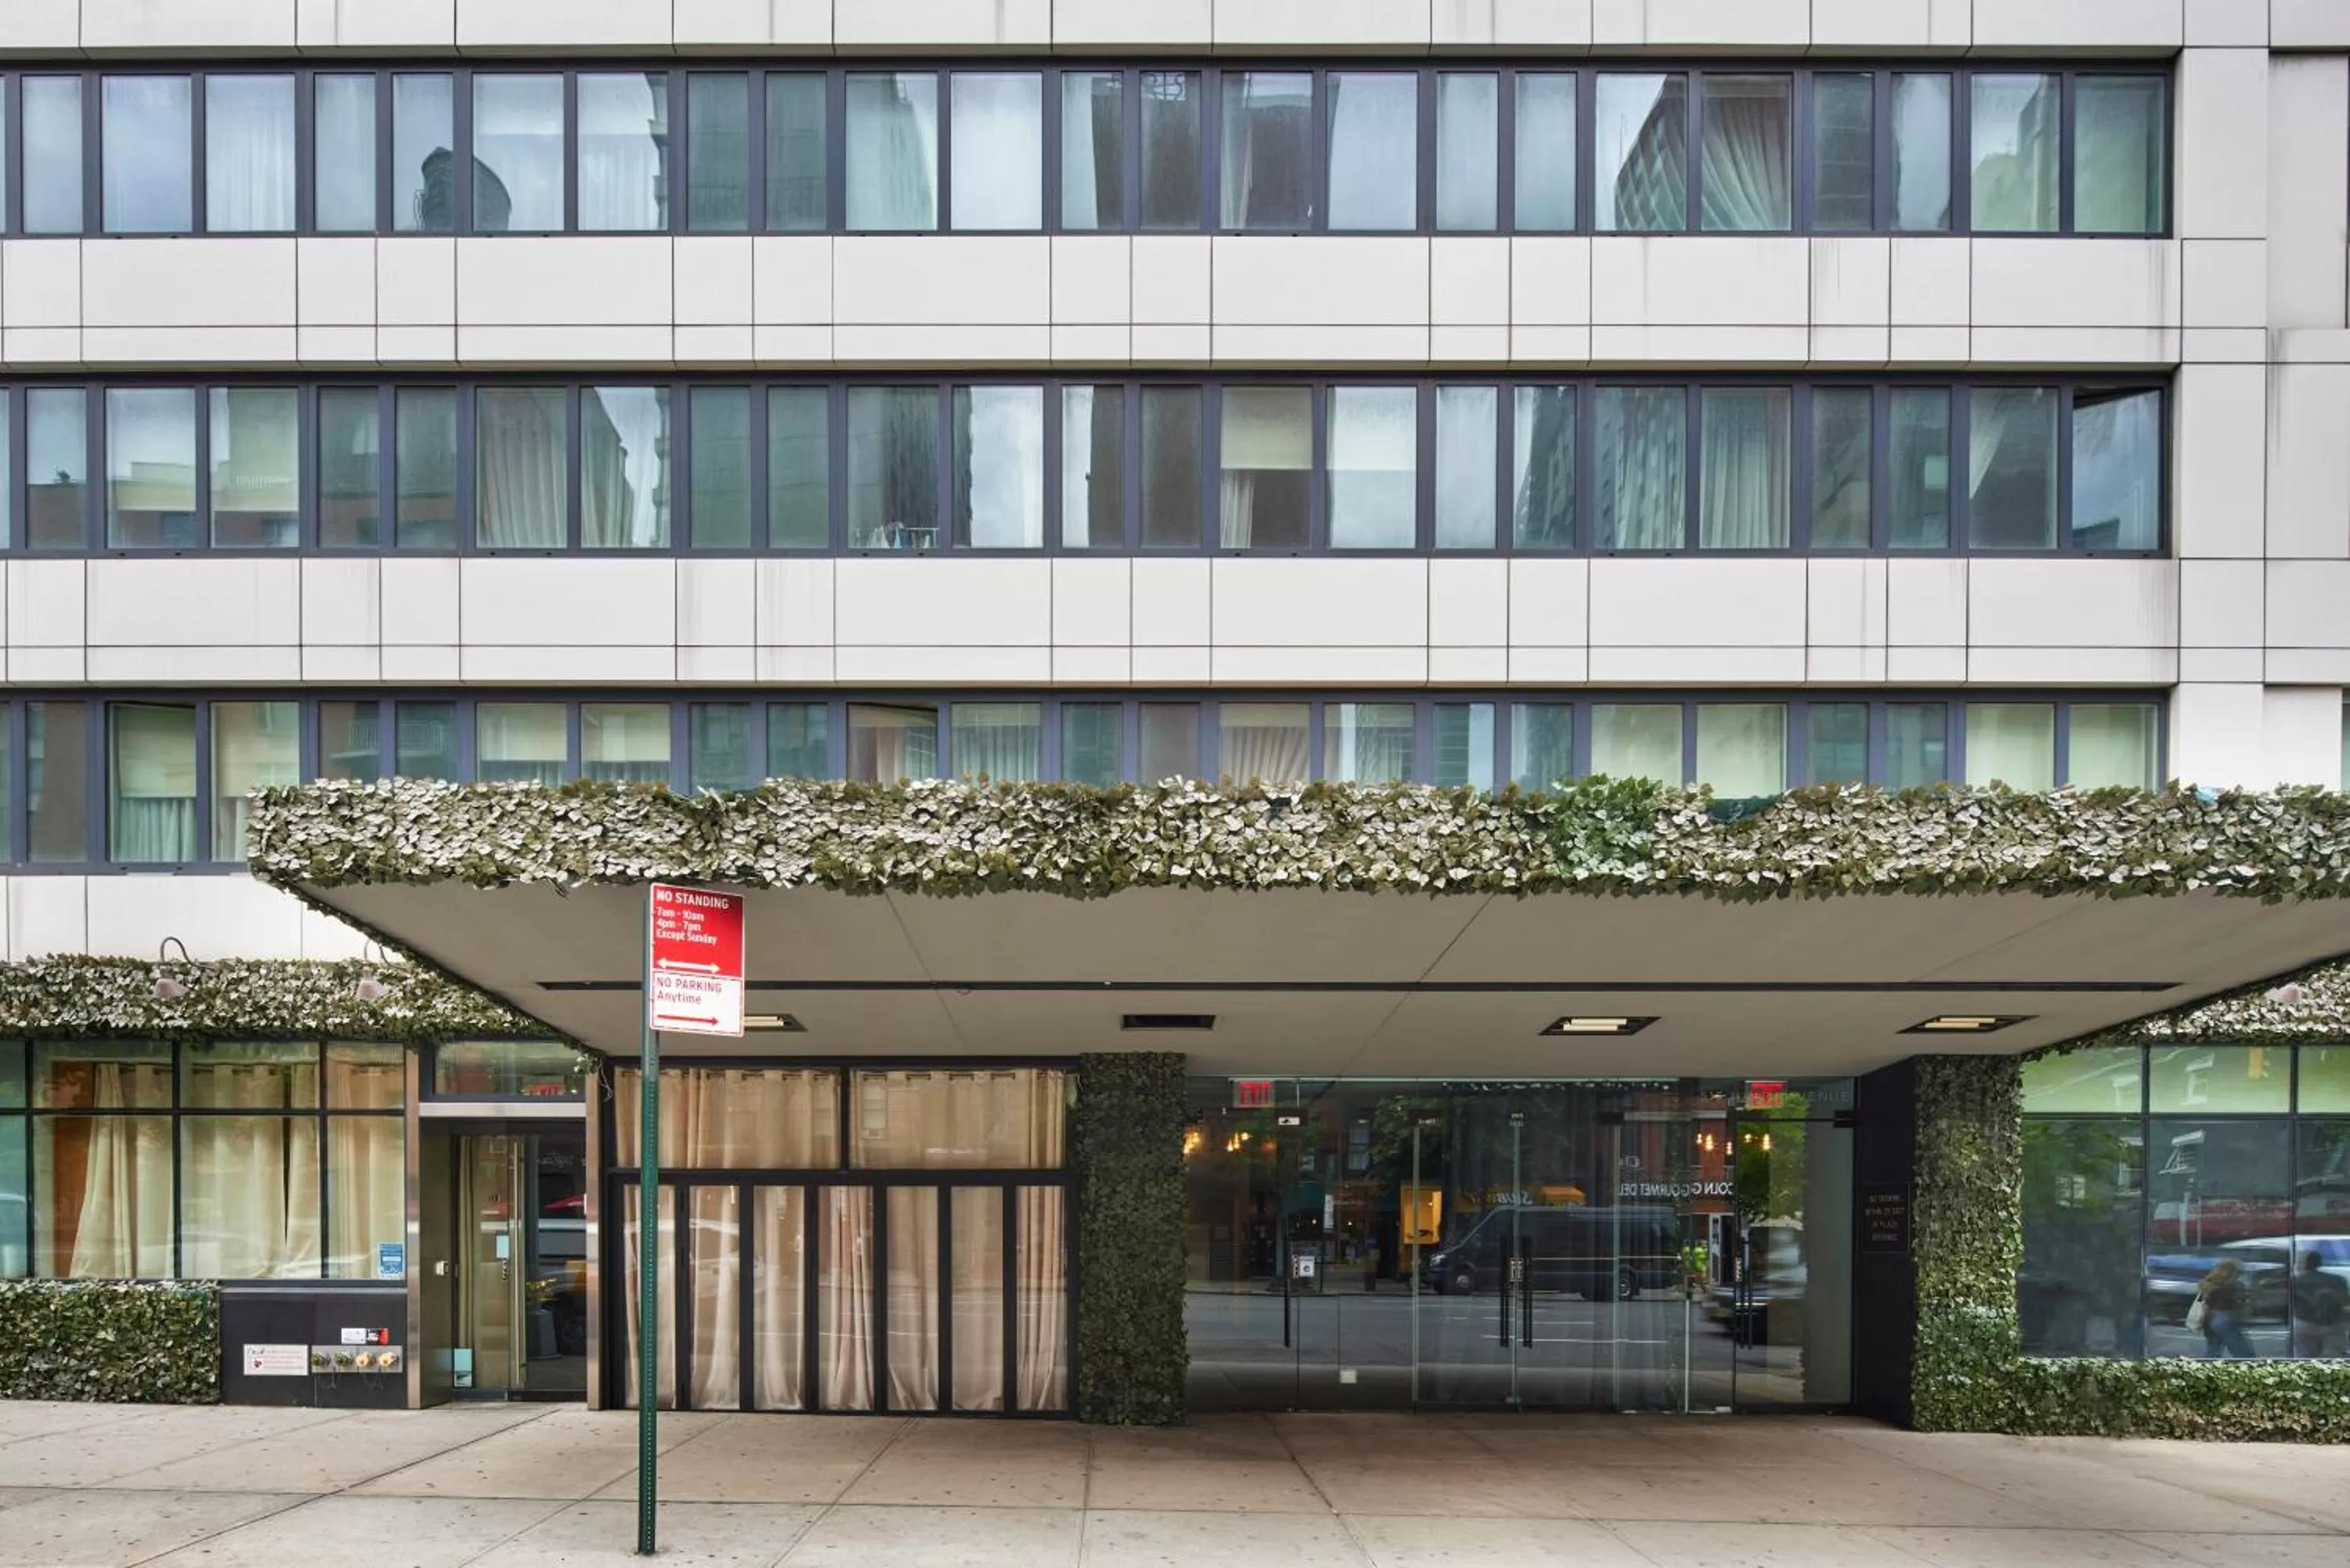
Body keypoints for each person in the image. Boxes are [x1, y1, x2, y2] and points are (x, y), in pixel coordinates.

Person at [2290, 1251, 2348, 1358]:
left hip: (2305, 1323)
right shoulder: (2338, 1280)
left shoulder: (2296, 1281)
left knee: (2306, 1357)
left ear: (2304, 1263)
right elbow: (2344, 1303)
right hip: (2334, 1325)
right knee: (2333, 1359)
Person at [2198, 1258, 2256, 1359]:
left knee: (2213, 1350)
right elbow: (2240, 1303)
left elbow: (2203, 1302)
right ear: (2233, 1272)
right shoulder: (2235, 1285)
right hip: (2224, 1318)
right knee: (2242, 1351)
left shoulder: (2208, 1284)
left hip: (2209, 1319)